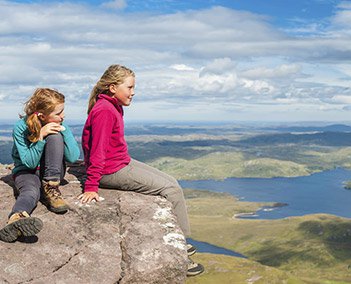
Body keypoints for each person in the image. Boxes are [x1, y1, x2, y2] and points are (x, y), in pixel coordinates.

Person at [78, 64, 204, 277]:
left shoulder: (112, 106)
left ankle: (181, 241)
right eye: (129, 87)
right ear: (112, 87)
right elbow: (98, 148)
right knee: (171, 190)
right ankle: (180, 250)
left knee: (172, 182)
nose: (133, 92)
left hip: (120, 161)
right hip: (110, 170)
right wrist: (91, 186)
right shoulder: (105, 110)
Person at [0, 88, 80, 242]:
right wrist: (41, 136)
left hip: (52, 171)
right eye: (58, 113)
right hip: (27, 172)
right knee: (30, 192)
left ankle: (50, 187)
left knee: (55, 137)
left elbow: (73, 156)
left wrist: (65, 131)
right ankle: (17, 218)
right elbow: (29, 163)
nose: (63, 116)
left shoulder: (59, 123)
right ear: (42, 116)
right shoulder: (20, 127)